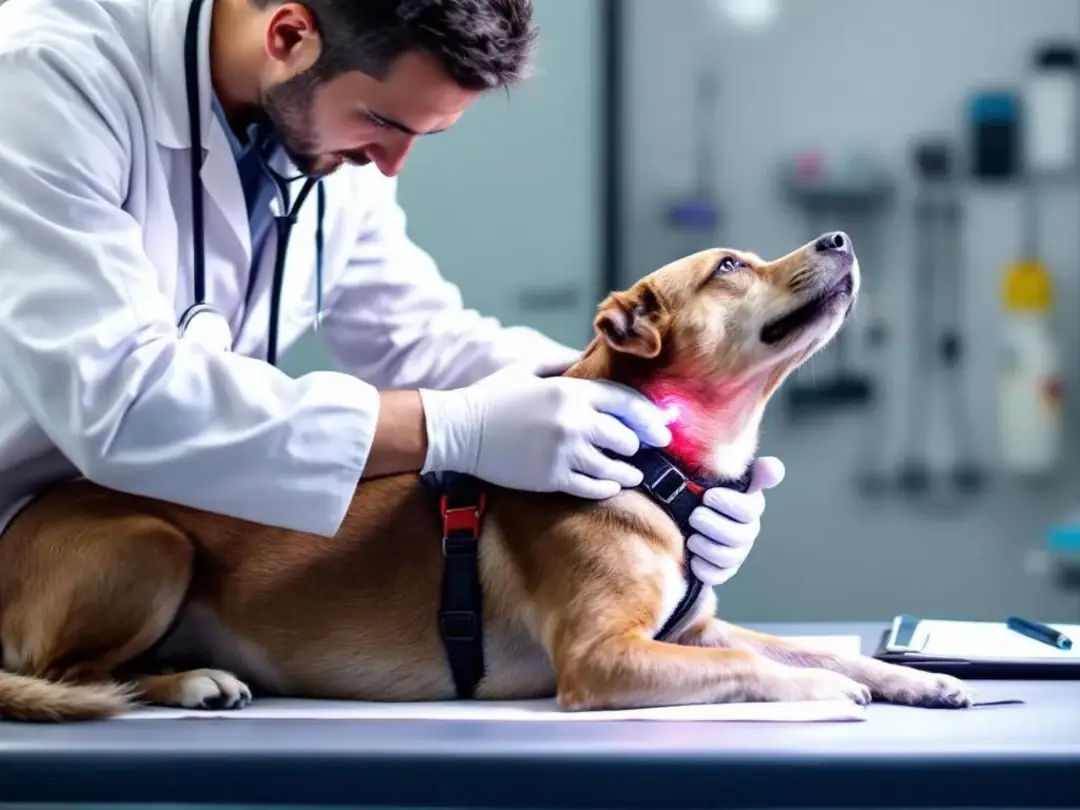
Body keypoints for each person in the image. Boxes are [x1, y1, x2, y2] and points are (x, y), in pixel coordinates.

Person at [0, 0, 784, 587]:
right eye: (380, 121)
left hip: (136, 561)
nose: (391, 164)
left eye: (420, 136)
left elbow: (412, 338)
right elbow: (121, 401)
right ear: (288, 35)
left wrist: (646, 438)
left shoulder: (332, 140)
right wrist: (452, 429)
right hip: (31, 536)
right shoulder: (49, 76)